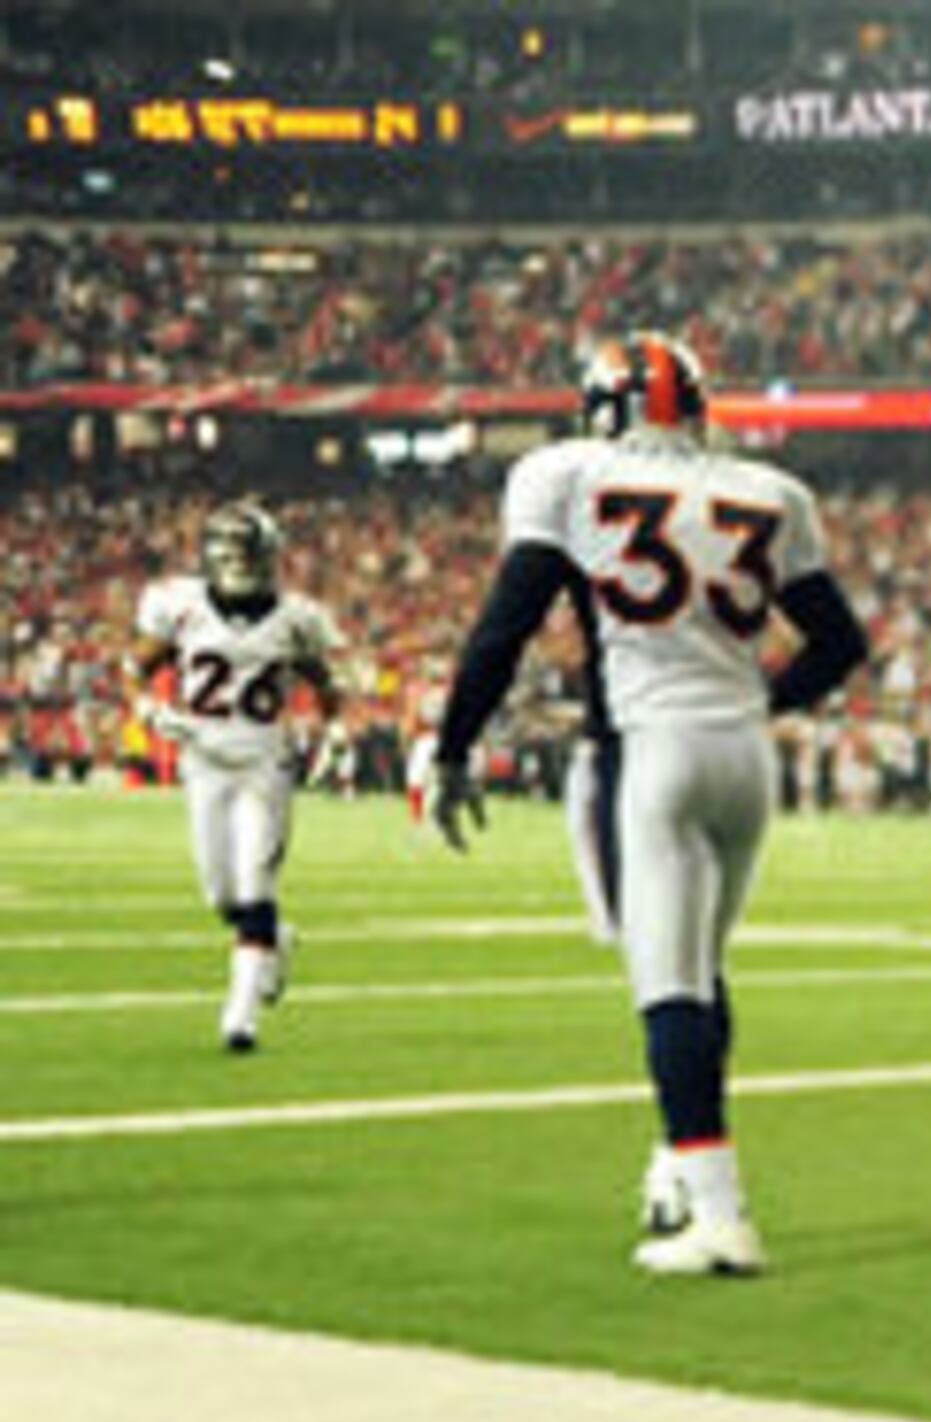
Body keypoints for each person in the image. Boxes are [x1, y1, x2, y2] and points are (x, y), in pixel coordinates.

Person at [429, 333, 871, 1273]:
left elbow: (507, 628)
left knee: (667, 984)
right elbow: (841, 643)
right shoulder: (772, 492)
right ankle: (681, 1165)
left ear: (601, 408)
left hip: (653, 746)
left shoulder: (566, 475)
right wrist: (762, 701)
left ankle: (719, 1212)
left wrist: (452, 744)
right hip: (746, 757)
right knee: (702, 977)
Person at [132, 500, 342, 1053]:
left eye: (249, 554)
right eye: (231, 554)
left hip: (263, 763)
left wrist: (332, 732)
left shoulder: (297, 618)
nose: (240, 565)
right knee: (221, 895)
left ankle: (240, 1018)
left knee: (256, 884)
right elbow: (142, 665)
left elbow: (325, 684)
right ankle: (273, 937)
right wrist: (150, 706)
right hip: (203, 761)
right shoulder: (180, 605)